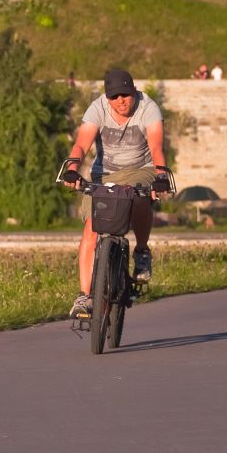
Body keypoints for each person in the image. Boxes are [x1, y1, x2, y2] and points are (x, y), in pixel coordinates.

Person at [57, 67, 169, 321]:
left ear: (133, 92)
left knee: (141, 199)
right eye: (115, 96)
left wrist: (161, 177)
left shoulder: (148, 108)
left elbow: (156, 146)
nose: (121, 101)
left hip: (139, 171)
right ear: (107, 97)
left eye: (126, 95)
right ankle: (85, 296)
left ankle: (141, 252)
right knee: (91, 230)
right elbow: (81, 143)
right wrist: (73, 170)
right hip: (103, 175)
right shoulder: (97, 108)